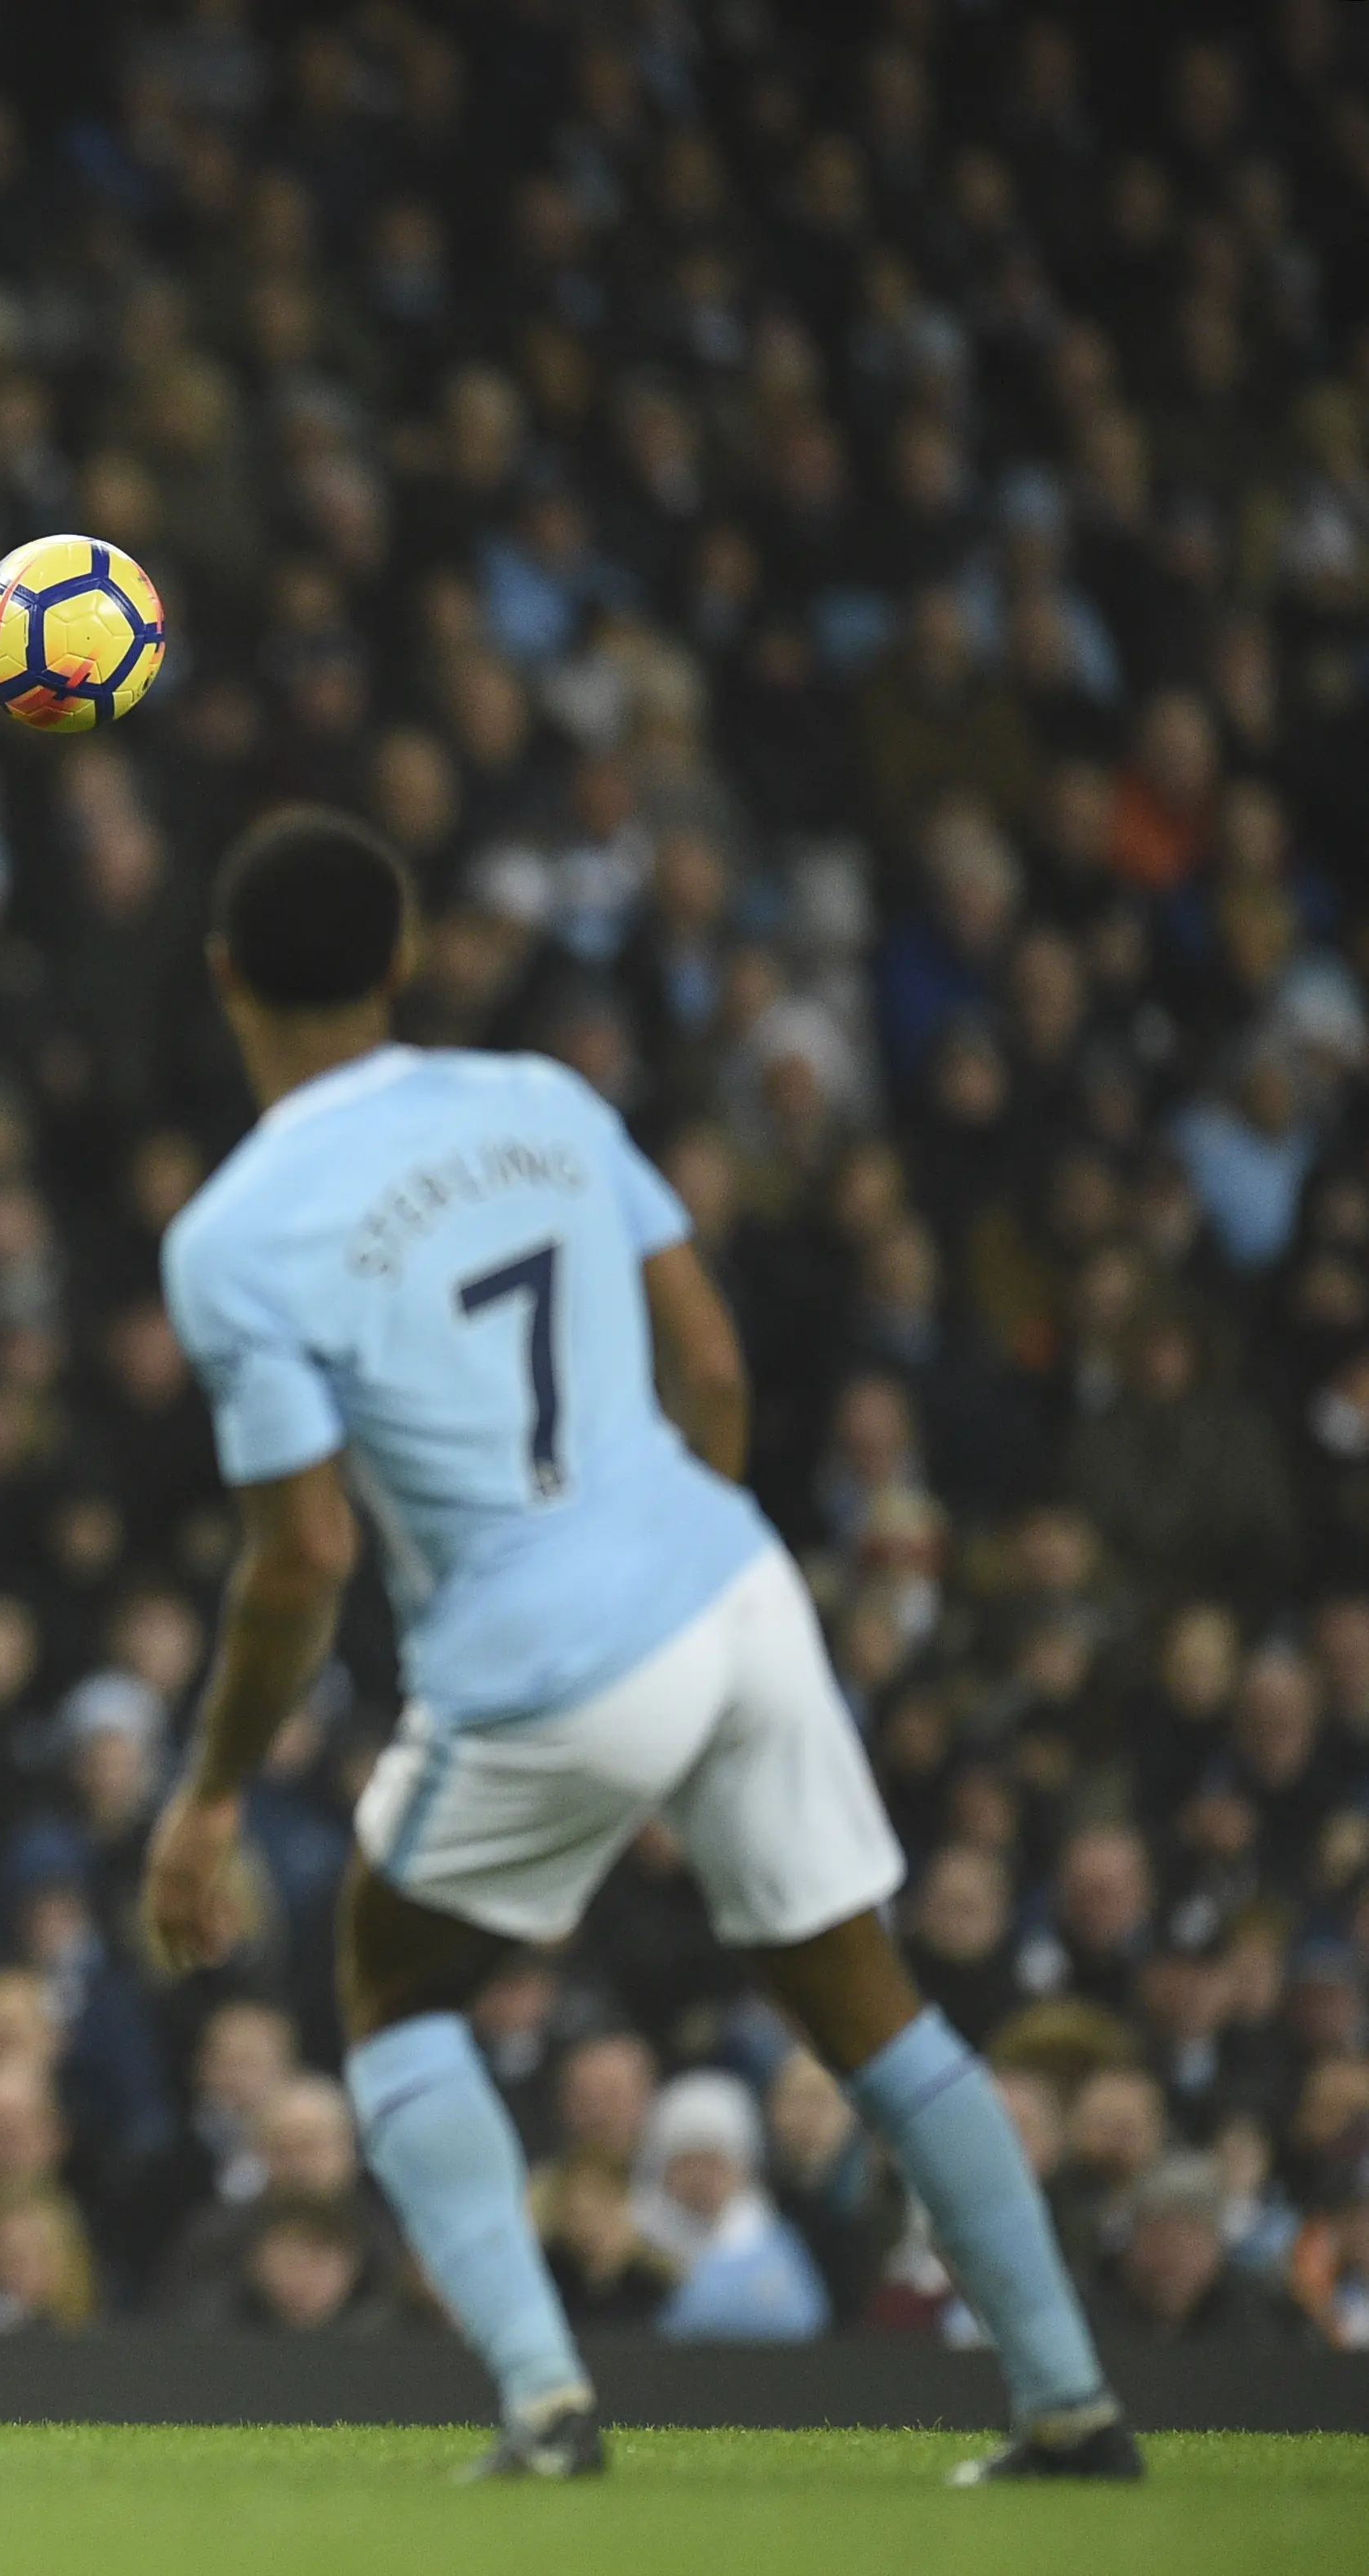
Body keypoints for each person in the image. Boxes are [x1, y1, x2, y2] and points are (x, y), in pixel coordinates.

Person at [139, 807, 1131, 2484]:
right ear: (400, 961)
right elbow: (715, 1365)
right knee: (868, 2003)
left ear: (225, 977)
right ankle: (1066, 2404)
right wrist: (678, 1599)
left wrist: (210, 1790)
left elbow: (301, 1549)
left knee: (387, 1986)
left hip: (538, 1647)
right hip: (730, 1585)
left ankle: (543, 2404)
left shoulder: (233, 1234)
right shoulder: (541, 1097)